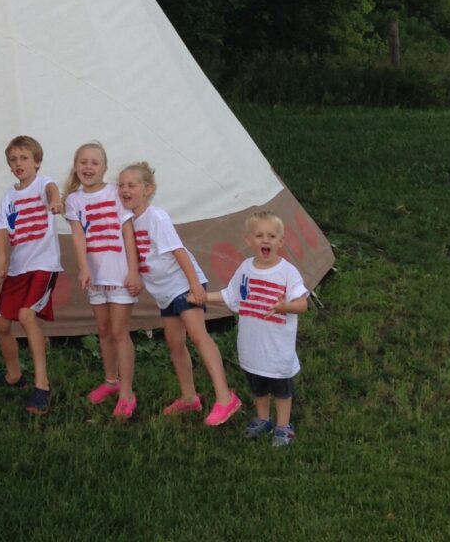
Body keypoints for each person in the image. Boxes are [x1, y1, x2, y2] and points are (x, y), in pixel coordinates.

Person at [117, 162, 241, 427]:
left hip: (182, 285)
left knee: (198, 335)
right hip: (164, 293)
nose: (125, 190)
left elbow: (179, 252)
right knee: (174, 344)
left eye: (132, 185)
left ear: (147, 189)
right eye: (122, 185)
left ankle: (224, 397)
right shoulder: (129, 220)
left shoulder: (156, 217)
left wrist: (195, 286)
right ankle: (189, 397)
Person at [200, 211, 309, 447]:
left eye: (272, 236)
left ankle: (283, 426)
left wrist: (285, 306)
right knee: (258, 385)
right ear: (248, 240)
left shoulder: (287, 272)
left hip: (278, 348)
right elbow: (231, 296)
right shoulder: (245, 268)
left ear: (281, 242)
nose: (265, 240)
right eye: (259, 235)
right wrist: (204, 297)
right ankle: (263, 419)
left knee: (281, 389)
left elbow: (303, 304)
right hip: (252, 346)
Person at [0, 135, 63, 415]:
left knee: (27, 315)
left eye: (24, 158)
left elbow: (53, 191)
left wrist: (55, 202)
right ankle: (14, 375)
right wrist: (2, 257)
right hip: (18, 267)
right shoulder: (9, 195)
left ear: (36, 162)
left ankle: (42, 385)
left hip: (43, 265)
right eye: (13, 160)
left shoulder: (43, 183)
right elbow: (2, 228)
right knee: (1, 321)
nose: (18, 164)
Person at [63, 141, 141, 419]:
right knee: (104, 330)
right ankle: (111, 380)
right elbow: (78, 236)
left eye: (94, 162)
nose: (88, 167)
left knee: (120, 332)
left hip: (119, 273)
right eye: (83, 162)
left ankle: (127, 392)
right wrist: (83, 268)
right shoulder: (73, 200)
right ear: (75, 166)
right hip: (95, 276)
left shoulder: (115, 194)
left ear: (104, 168)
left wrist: (134, 271)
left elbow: (128, 232)